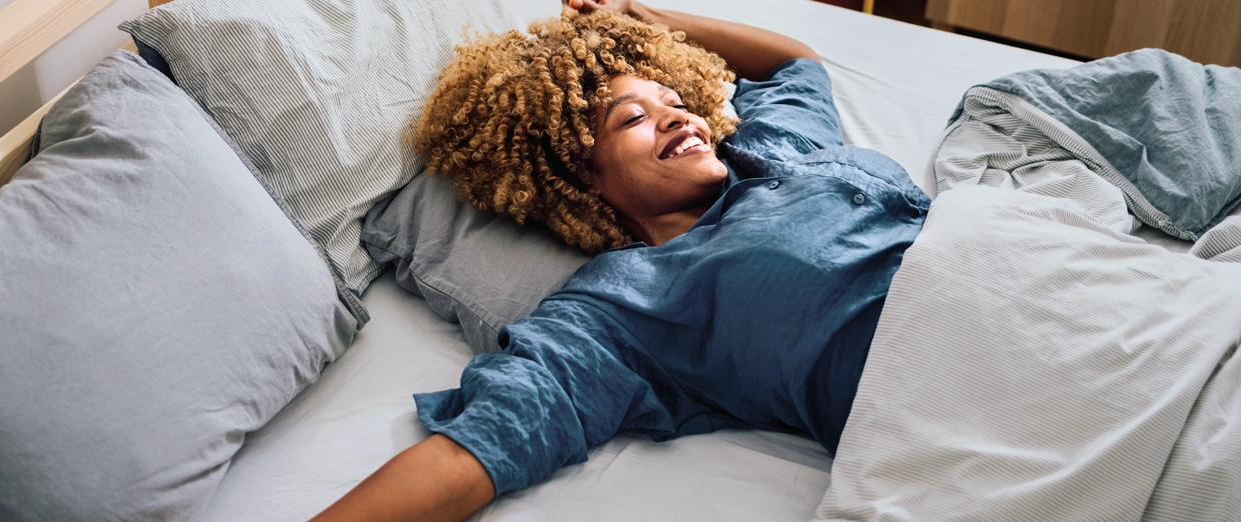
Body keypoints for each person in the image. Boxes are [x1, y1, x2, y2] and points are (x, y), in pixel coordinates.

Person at [315, 1, 929, 520]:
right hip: (946, 373)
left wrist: (637, 13)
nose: (677, 114)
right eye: (633, 118)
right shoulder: (628, 308)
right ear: (580, 178)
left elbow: (797, 64)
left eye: (673, 98)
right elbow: (483, 444)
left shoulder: (768, 145)